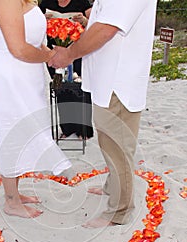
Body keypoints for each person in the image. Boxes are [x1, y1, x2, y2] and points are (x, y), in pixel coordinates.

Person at [49, 0, 157, 228]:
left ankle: (120, 210)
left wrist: (69, 54)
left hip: (118, 80)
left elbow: (108, 28)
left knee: (117, 146)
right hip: (107, 79)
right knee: (108, 141)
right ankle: (112, 187)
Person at [0, 0, 72, 219]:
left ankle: (15, 192)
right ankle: (11, 202)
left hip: (28, 77)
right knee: (11, 135)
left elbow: (34, 42)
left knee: (24, 133)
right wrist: (50, 57)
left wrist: (52, 54)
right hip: (11, 78)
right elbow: (19, 49)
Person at [39, 0, 94, 139]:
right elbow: (33, 25)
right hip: (54, 54)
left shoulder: (81, 2)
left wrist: (84, 21)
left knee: (81, 90)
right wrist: (41, 20)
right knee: (60, 89)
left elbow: (94, 25)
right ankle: (67, 129)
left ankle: (84, 130)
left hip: (76, 52)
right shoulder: (46, 2)